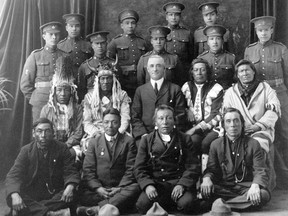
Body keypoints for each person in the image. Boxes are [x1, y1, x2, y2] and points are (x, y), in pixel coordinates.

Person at [223, 59, 281, 191]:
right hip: (238, 130)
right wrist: (239, 129)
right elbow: (227, 114)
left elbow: (274, 111)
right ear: (237, 75)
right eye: (241, 71)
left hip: (261, 129)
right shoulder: (230, 92)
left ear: (253, 72)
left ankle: (263, 185)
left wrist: (258, 126)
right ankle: (235, 184)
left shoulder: (266, 89)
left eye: (247, 70)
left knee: (258, 145)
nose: (245, 73)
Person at [5, 118, 80, 216]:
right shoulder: (26, 150)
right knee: (13, 196)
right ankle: (51, 214)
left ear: (53, 133)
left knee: (72, 192)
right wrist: (15, 194)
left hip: (55, 194)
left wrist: (70, 187)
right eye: (39, 131)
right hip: (33, 194)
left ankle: (29, 211)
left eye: (47, 131)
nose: (43, 135)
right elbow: (13, 175)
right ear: (33, 133)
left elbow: (70, 170)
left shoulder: (62, 148)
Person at [134, 105, 200, 214]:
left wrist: (182, 185)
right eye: (160, 118)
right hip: (156, 184)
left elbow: (193, 166)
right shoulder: (146, 140)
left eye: (169, 118)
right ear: (155, 122)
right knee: (142, 205)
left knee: (187, 204)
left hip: (177, 183)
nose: (165, 122)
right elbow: (139, 168)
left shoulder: (184, 139)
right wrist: (148, 185)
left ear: (174, 121)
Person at [244, 16, 288, 180]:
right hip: (259, 95)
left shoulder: (281, 48)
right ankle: (268, 174)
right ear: (256, 32)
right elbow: (247, 74)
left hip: (279, 93)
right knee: (263, 130)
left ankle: (285, 173)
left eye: (266, 30)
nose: (263, 33)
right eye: (260, 30)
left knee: (284, 132)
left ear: (271, 30)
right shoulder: (250, 50)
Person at [200, 108, 271, 211]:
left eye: (236, 120)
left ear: (242, 124)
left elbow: (260, 170)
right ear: (224, 125)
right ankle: (238, 204)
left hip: (246, 188)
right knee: (206, 190)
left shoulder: (253, 144)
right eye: (228, 121)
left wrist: (255, 185)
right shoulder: (216, 144)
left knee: (263, 195)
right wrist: (206, 179)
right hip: (224, 187)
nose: (233, 125)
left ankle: (222, 206)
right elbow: (212, 169)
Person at [77, 108, 140, 215]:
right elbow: (88, 170)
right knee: (81, 193)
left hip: (119, 189)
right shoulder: (94, 142)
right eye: (106, 122)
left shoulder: (128, 141)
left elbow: (131, 168)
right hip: (99, 190)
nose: (110, 126)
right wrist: (98, 188)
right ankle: (114, 205)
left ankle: (97, 209)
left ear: (120, 124)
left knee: (135, 188)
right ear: (102, 123)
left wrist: (119, 188)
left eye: (114, 122)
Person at [132, 55, 186, 144]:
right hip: (145, 135)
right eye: (152, 66)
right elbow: (135, 116)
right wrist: (143, 134)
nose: (155, 69)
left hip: (169, 135)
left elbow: (180, 114)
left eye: (158, 66)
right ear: (147, 69)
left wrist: (169, 133)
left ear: (164, 69)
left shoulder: (175, 89)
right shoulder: (140, 90)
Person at [20, 22, 68, 122]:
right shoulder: (35, 56)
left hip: (61, 100)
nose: (54, 37)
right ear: (44, 36)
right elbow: (25, 84)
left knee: (60, 130)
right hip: (41, 102)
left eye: (56, 34)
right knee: (41, 131)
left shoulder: (65, 56)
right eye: (51, 34)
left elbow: (70, 81)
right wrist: (36, 99)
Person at [181, 58, 224, 171]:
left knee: (206, 143)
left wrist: (195, 129)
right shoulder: (186, 87)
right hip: (192, 126)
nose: (199, 73)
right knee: (193, 141)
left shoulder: (216, 88)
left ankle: (208, 174)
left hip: (212, 128)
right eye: (196, 70)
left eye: (202, 70)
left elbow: (216, 113)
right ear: (192, 72)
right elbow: (180, 105)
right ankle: (194, 174)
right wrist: (187, 110)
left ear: (207, 72)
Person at [40, 56, 83, 160]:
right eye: (59, 90)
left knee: (75, 154)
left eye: (66, 90)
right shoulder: (46, 109)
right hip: (51, 144)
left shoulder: (77, 109)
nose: (63, 94)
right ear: (54, 92)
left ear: (72, 91)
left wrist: (66, 145)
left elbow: (78, 132)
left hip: (71, 145)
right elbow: (43, 131)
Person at [82, 63, 131, 152]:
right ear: (98, 80)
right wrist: (96, 133)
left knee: (126, 145)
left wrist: (117, 133)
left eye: (108, 78)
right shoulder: (89, 97)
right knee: (90, 145)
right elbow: (87, 122)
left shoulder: (121, 95)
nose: (105, 82)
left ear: (113, 80)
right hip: (97, 131)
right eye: (103, 79)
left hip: (117, 130)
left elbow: (125, 118)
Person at [107, 9, 149, 99]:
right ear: (122, 25)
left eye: (132, 23)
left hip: (140, 81)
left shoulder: (142, 42)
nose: (130, 26)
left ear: (136, 25)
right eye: (127, 23)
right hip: (123, 82)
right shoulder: (115, 42)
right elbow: (108, 62)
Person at [77, 31, 118, 102]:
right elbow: (81, 90)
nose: (100, 46)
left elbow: (118, 87)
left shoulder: (114, 64)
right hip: (91, 101)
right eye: (97, 43)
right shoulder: (85, 66)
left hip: (111, 101)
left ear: (106, 44)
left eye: (102, 43)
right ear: (92, 45)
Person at [162, 2, 193, 82]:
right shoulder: (162, 32)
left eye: (176, 15)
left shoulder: (187, 33)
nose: (174, 17)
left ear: (180, 17)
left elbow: (191, 55)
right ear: (166, 17)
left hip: (184, 71)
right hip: (167, 70)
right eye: (171, 15)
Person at [197, 25, 235, 90]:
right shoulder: (201, 59)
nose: (215, 42)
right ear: (208, 42)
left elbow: (236, 80)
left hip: (226, 94)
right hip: (207, 94)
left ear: (222, 41)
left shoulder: (231, 58)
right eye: (211, 39)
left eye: (218, 38)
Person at [57, 13, 92, 78]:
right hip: (67, 80)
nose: (74, 29)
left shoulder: (88, 45)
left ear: (80, 27)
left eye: (77, 26)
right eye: (71, 26)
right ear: (66, 28)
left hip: (85, 79)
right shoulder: (60, 46)